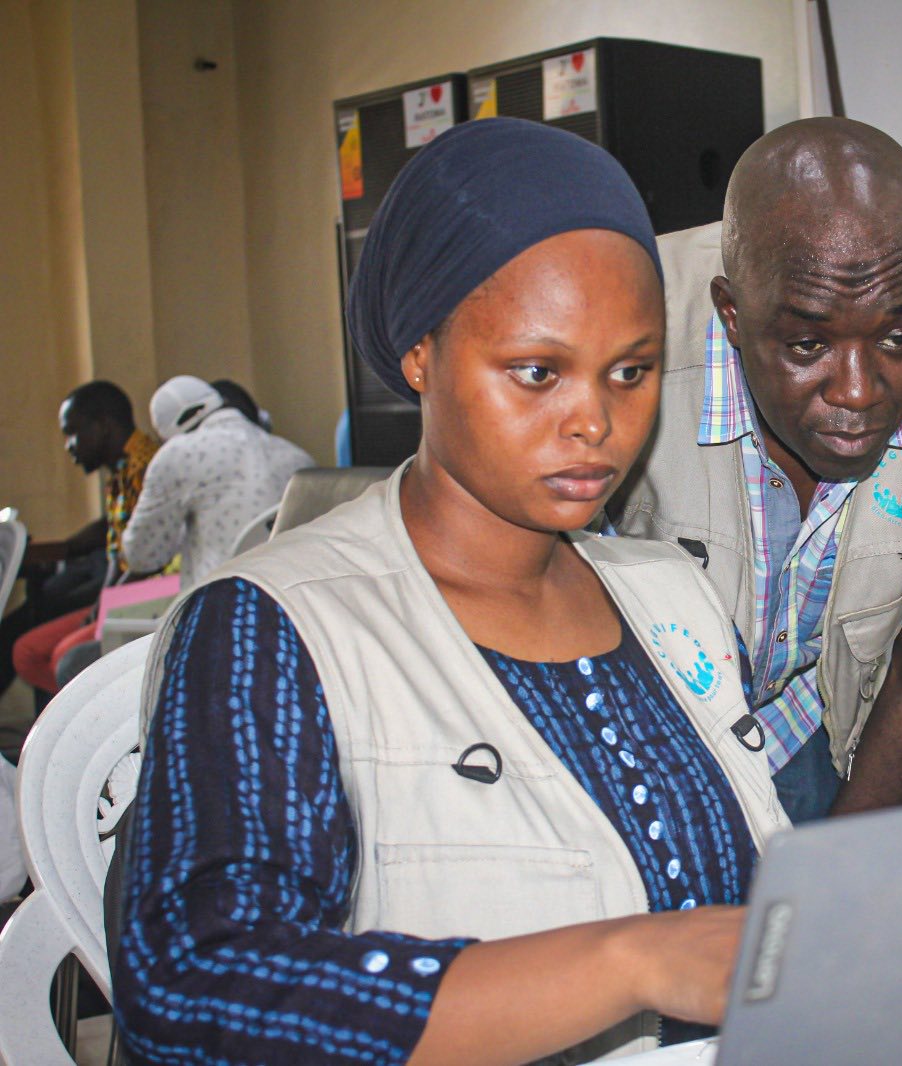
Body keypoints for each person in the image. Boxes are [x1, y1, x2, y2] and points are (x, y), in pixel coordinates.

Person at [114, 118, 787, 1065]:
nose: (593, 421)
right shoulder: (276, 631)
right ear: (421, 352)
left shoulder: (673, 595)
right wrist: (628, 962)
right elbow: (193, 984)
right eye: (537, 373)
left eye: (629, 372)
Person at [611, 117, 902, 823]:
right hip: (624, 744)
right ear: (732, 313)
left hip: (801, 735)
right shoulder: (621, 337)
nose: (857, 390)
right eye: (809, 342)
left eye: (900, 336)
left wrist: (838, 875)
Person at [7, 382, 159, 702]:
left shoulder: (148, 467)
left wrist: (108, 603)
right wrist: (104, 601)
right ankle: (89, 717)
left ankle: (105, 721)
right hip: (125, 589)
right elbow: (118, 550)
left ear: (102, 426)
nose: (68, 445)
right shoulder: (120, 471)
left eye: (73, 432)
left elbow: (148, 559)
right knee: (26, 652)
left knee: (66, 655)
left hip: (157, 589)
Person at [121, 374, 313, 588]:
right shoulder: (298, 457)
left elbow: (143, 556)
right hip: (292, 601)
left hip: (223, 605)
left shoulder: (178, 454)